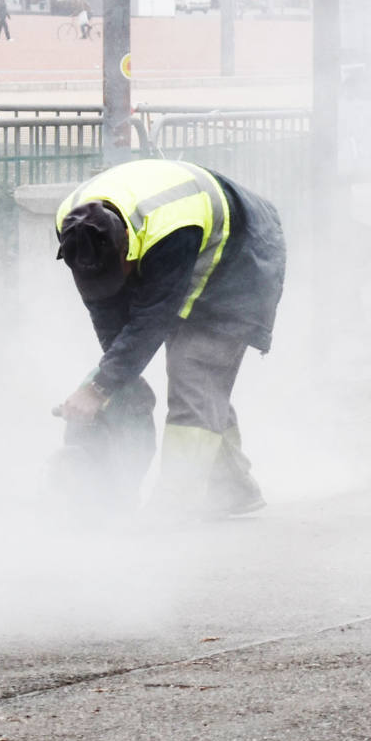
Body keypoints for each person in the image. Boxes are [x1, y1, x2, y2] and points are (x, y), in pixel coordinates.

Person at [50, 157, 286, 517]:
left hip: (242, 254)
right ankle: (232, 489)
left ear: (126, 241)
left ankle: (174, 506)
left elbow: (151, 319)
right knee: (198, 383)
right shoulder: (74, 228)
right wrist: (119, 383)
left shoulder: (170, 229)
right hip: (192, 250)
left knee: (194, 370)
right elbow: (105, 307)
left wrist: (99, 387)